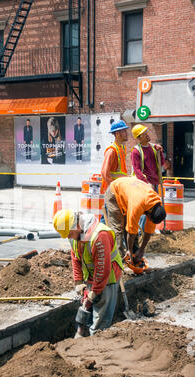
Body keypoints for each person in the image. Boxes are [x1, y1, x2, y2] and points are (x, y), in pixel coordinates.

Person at [53, 209, 123, 338]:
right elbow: (75, 256)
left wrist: (95, 292)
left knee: (100, 320)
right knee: (90, 311)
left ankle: (97, 343)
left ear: (77, 226)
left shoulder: (100, 236)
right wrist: (79, 281)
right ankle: (86, 334)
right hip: (91, 276)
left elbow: (103, 270)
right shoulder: (75, 234)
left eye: (69, 234)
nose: (68, 237)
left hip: (108, 278)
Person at [104, 176, 166, 262]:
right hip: (115, 192)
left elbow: (148, 232)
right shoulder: (137, 205)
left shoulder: (155, 205)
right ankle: (118, 260)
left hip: (129, 193)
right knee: (118, 229)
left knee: (129, 225)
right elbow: (131, 231)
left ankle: (135, 253)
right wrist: (129, 250)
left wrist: (141, 250)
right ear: (150, 214)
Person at [131, 124, 170, 192]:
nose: (147, 135)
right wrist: (146, 183)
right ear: (139, 138)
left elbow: (161, 162)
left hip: (156, 182)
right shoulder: (136, 151)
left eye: (147, 132)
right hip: (143, 185)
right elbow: (137, 170)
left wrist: (160, 152)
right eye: (144, 134)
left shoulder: (154, 147)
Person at [101, 120, 129, 194]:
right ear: (117, 134)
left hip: (120, 188)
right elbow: (104, 173)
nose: (127, 133)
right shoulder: (111, 151)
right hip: (113, 191)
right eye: (124, 131)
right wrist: (113, 188)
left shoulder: (122, 148)